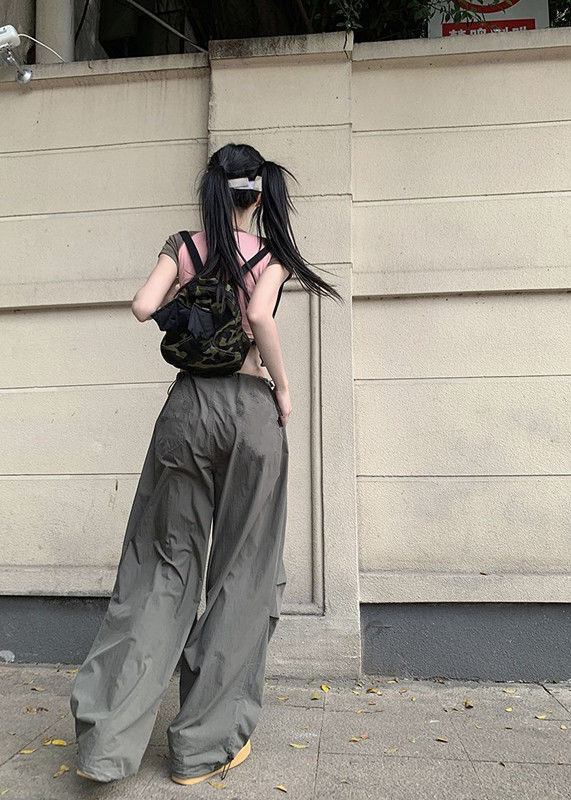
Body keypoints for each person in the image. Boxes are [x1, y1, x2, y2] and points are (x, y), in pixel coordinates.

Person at [69, 143, 343, 786]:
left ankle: (105, 744)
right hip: (251, 411)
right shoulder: (271, 255)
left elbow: (142, 306)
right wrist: (283, 390)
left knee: (160, 566)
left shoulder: (184, 247)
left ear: (213, 190)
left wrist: (183, 301)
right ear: (259, 194)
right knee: (244, 573)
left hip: (188, 411)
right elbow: (259, 315)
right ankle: (202, 748)